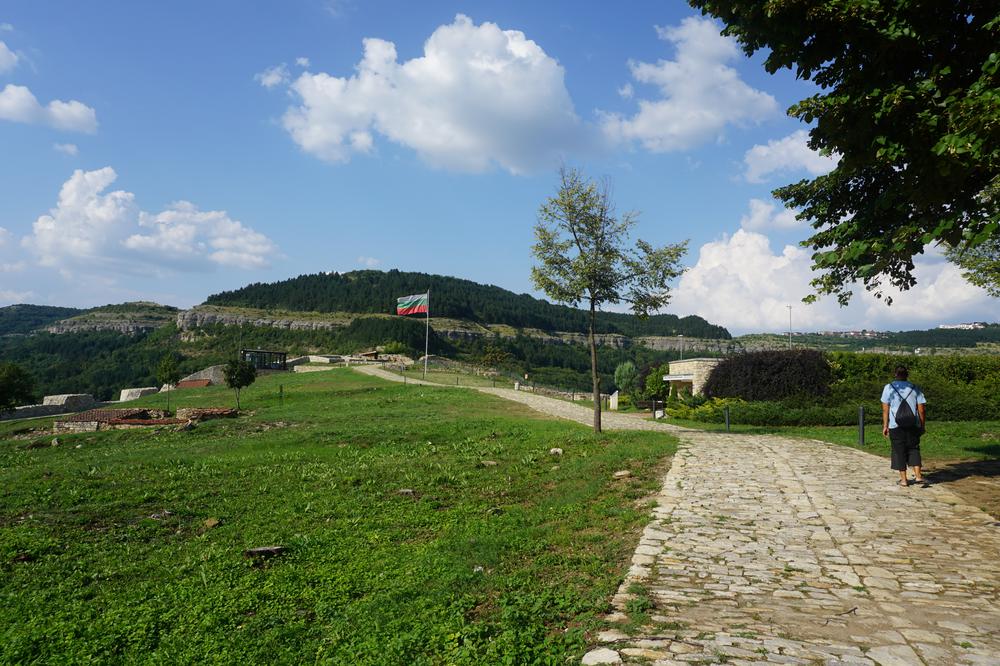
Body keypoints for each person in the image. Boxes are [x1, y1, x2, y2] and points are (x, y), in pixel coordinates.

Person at [881, 365, 928, 487]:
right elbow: (921, 409)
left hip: (895, 425)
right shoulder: (914, 388)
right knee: (914, 448)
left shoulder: (889, 388)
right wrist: (922, 425)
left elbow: (885, 410)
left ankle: (904, 480)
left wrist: (885, 426)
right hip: (913, 424)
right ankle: (918, 476)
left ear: (895, 374)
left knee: (899, 450)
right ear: (907, 375)